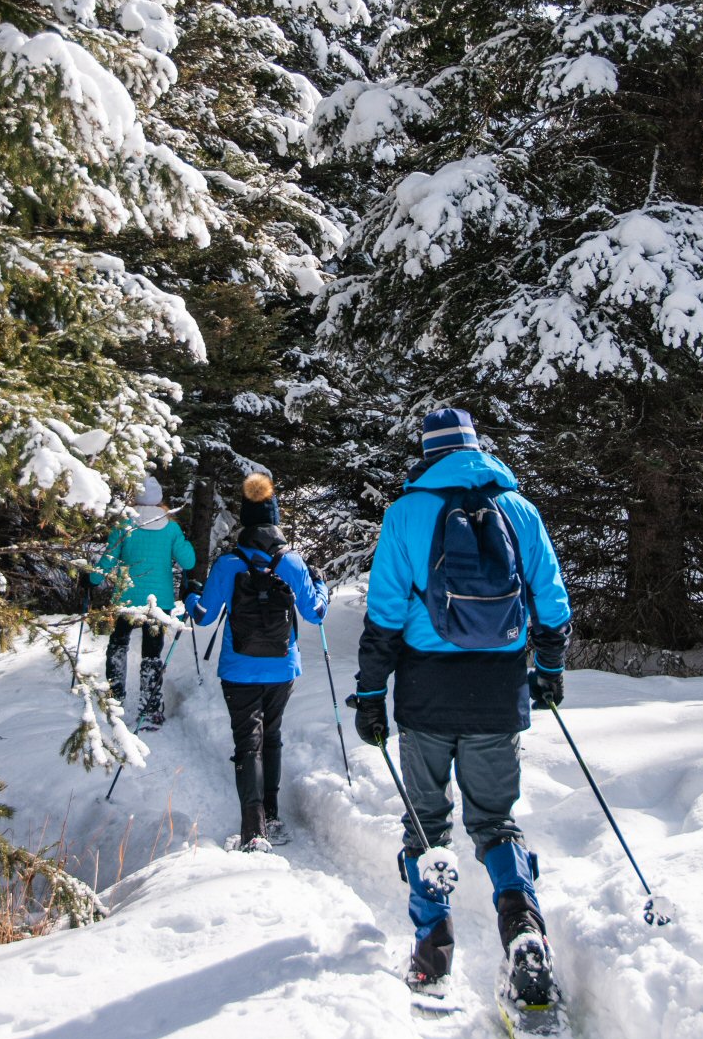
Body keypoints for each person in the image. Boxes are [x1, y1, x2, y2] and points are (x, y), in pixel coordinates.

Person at [351, 407, 571, 1002]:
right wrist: (546, 672)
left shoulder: (405, 514)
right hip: (499, 689)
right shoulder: (520, 510)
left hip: (425, 693)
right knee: (495, 822)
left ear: (428, 454)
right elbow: (552, 602)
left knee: (426, 823)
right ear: (477, 450)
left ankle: (431, 950)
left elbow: (384, 619)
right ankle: (523, 930)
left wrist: (371, 696)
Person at [185, 473, 328, 851]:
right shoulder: (292, 562)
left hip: (239, 668)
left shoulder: (229, 564)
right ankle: (274, 816)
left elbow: (202, 617)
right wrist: (323, 587)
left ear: (245, 522)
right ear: (275, 519)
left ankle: (254, 830)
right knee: (273, 736)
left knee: (247, 744)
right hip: (282, 667)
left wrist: (189, 598)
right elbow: (315, 614)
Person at [90, 475, 196, 727]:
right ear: (160, 499)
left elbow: (108, 559)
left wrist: (92, 580)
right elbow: (189, 562)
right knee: (152, 652)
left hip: (126, 598)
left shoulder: (124, 525)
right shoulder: (170, 527)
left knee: (118, 645)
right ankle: (149, 708)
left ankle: (114, 700)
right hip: (157, 602)